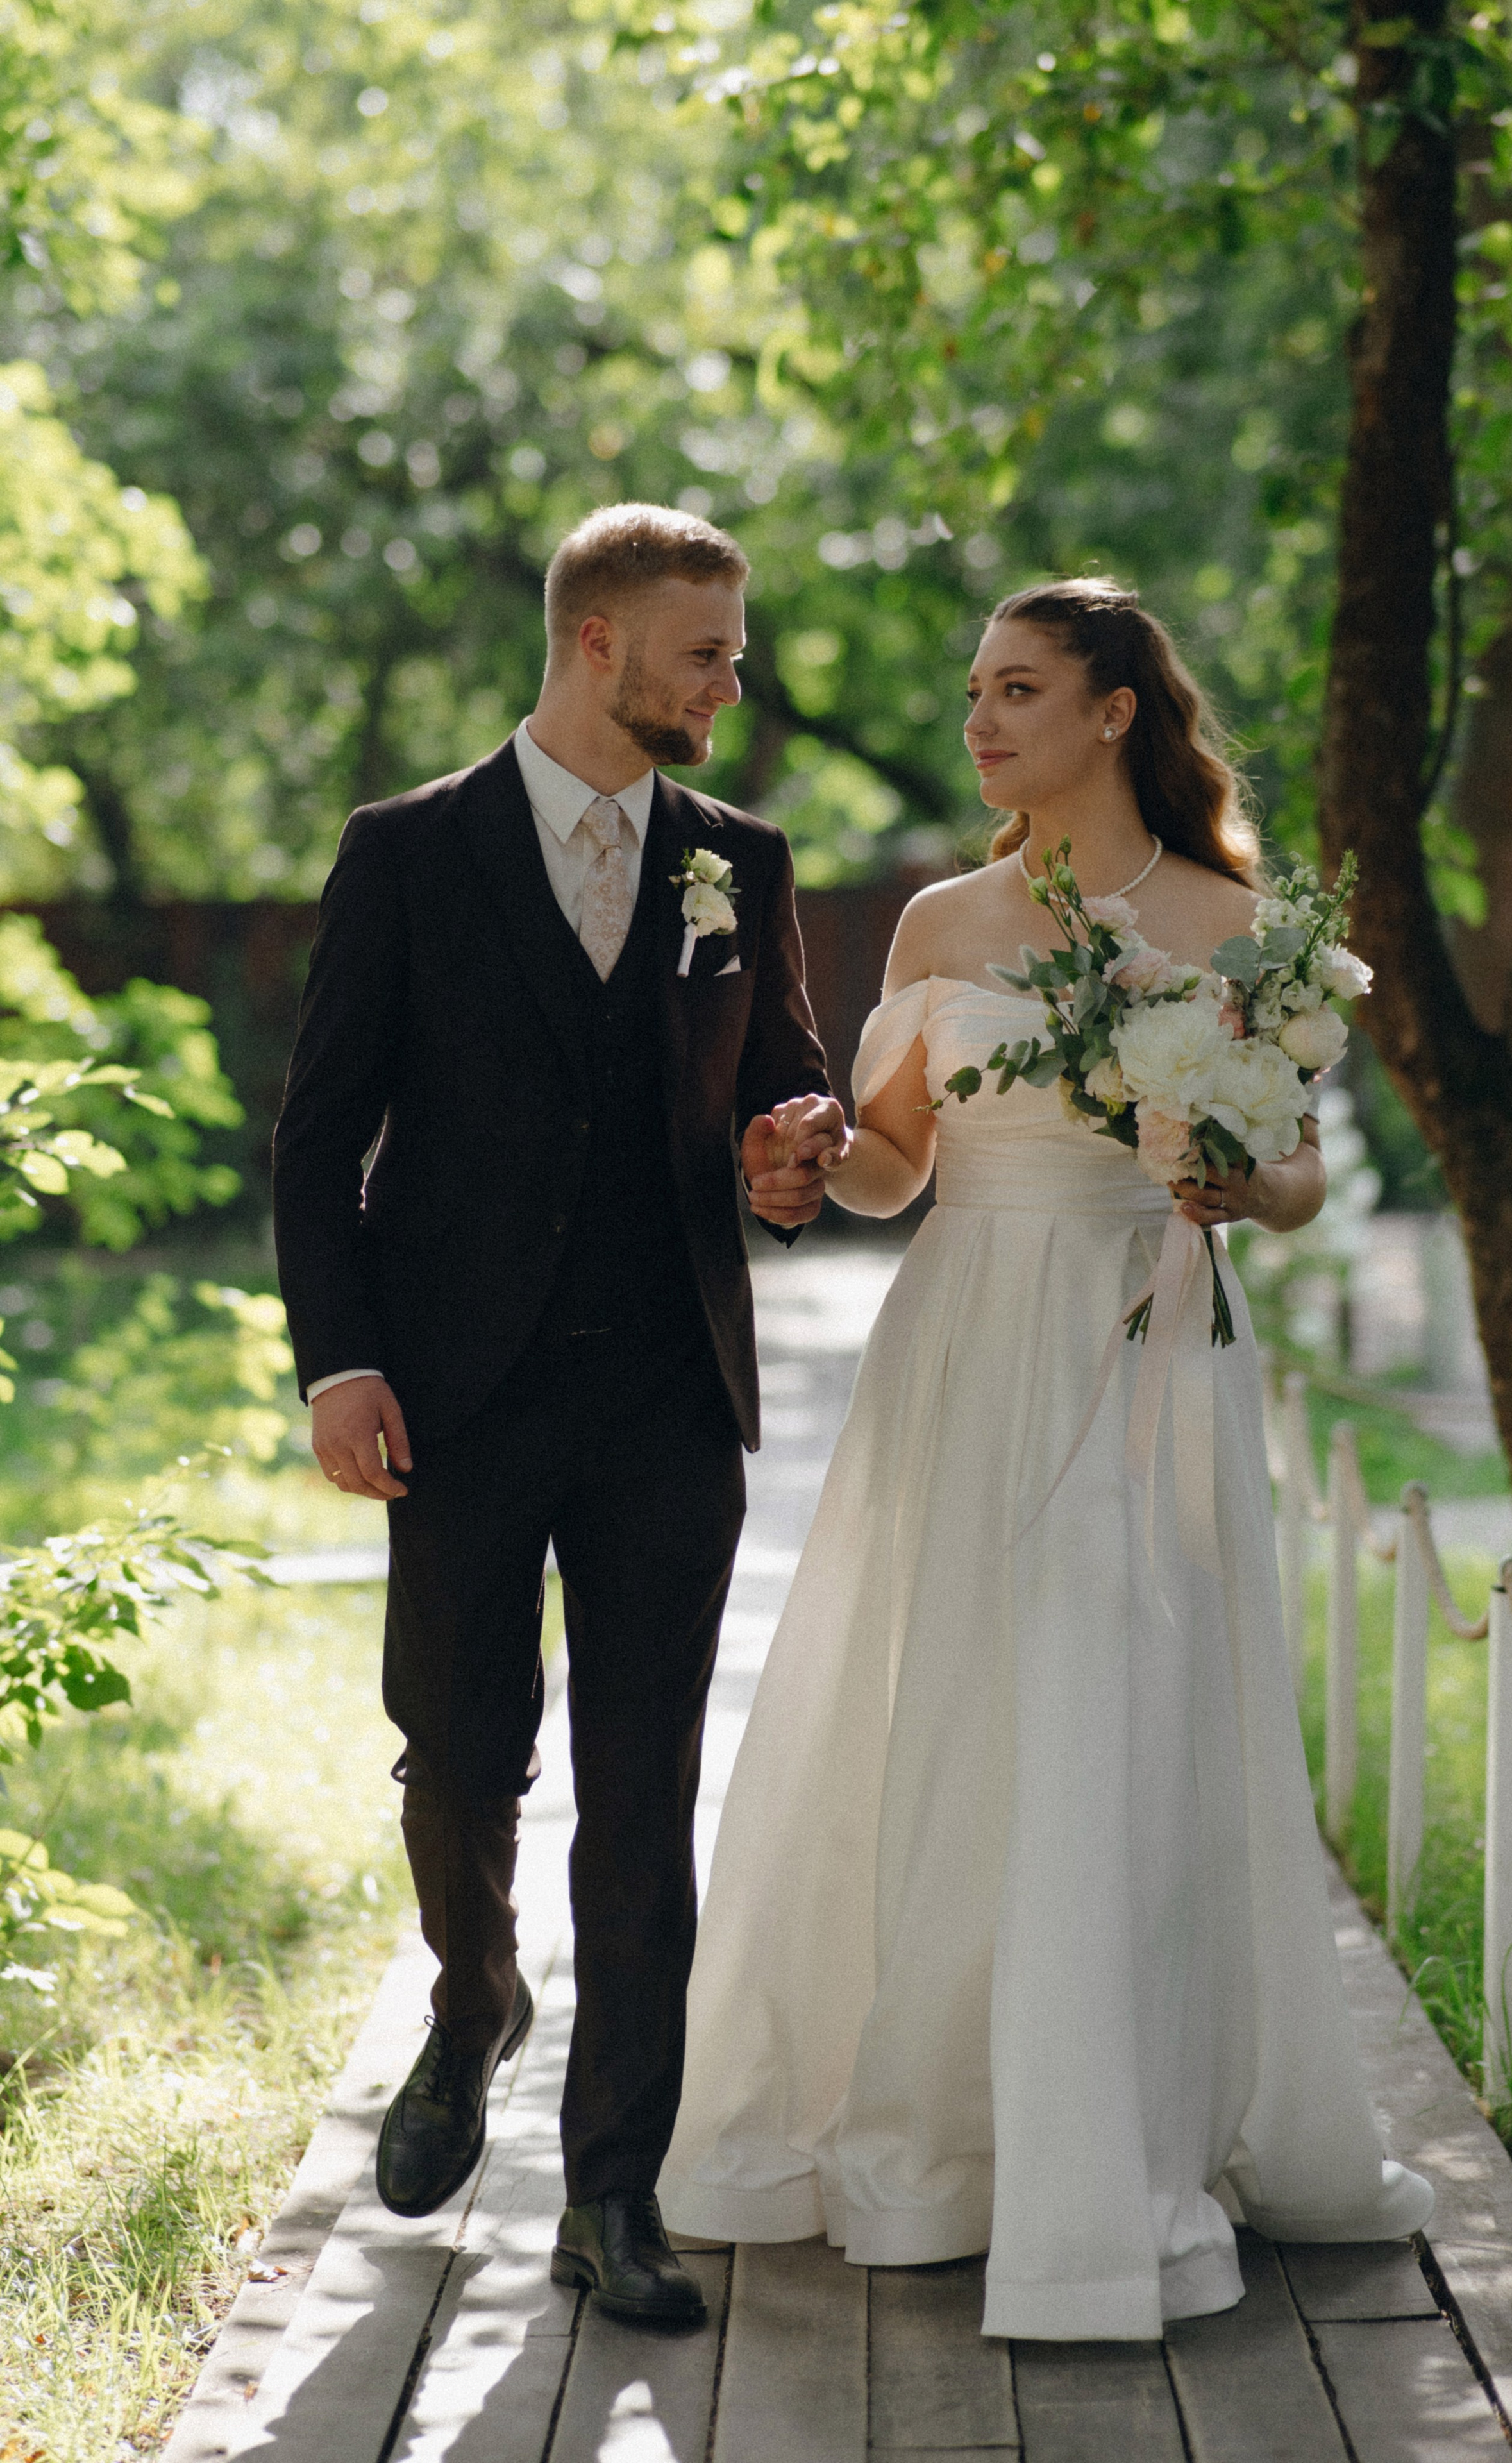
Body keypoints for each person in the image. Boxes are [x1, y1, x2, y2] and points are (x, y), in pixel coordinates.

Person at [658, 576, 1432, 2341]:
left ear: (1114, 710)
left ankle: (1118, 2146)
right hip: (963, 1344)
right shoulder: (942, 920)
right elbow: (893, 1170)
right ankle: (943, 2143)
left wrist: (1239, 1183)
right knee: (962, 1713)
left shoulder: (1241, 922)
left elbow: (1302, 1172)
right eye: (974, 692)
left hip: (1148, 1337)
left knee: (1123, 1715)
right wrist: (808, 1161)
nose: (980, 721)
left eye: (1018, 689)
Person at [272, 503, 845, 2326]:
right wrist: (340, 1364)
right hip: (456, 1393)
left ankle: (613, 2195)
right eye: (708, 652)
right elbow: (317, 1138)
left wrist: (795, 1153)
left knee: (644, 1789)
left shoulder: (739, 860)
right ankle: (474, 1999)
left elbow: (786, 1089)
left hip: (670, 1392)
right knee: (457, 1749)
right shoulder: (407, 851)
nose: (733, 683)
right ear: (600, 642)